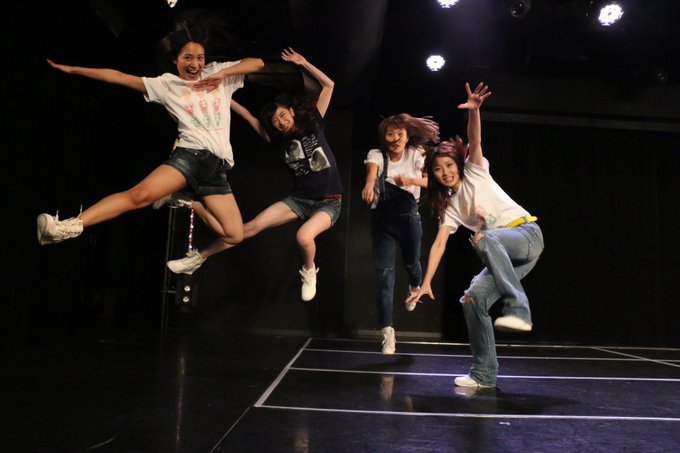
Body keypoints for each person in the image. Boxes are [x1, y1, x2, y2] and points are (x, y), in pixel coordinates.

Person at [37, 16, 265, 254]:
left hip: (217, 169)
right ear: (175, 60)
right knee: (139, 196)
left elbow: (257, 63)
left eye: (200, 58)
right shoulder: (167, 85)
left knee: (235, 234)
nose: (195, 64)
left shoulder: (218, 73)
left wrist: (224, 73)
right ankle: (65, 227)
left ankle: (188, 201)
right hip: (192, 155)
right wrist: (74, 69)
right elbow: (119, 77)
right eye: (188, 58)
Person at [166, 48, 342, 302]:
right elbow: (247, 115)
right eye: (276, 121)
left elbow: (329, 85)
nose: (280, 122)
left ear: (291, 112)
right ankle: (197, 259)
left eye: (283, 115)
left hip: (329, 201)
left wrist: (303, 62)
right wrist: (222, 94)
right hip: (300, 199)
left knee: (304, 236)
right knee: (247, 229)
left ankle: (308, 271)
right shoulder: (277, 140)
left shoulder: (314, 122)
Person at [407, 82, 544, 389]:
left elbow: (474, 138)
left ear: (458, 164)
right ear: (434, 176)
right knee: (472, 299)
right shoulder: (451, 208)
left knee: (483, 238)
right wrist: (426, 282)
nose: (446, 172)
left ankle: (518, 308)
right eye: (438, 170)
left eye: (449, 165)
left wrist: (474, 111)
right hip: (504, 257)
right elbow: (439, 244)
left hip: (525, 235)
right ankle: (484, 374)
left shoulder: (475, 171)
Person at [361, 114, 439, 354]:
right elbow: (371, 175)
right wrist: (369, 186)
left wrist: (409, 179)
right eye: (390, 134)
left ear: (406, 136)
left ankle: (415, 286)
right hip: (382, 221)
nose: (394, 138)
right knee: (384, 276)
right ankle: (387, 332)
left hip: (408, 219)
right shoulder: (377, 155)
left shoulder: (416, 154)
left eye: (399, 134)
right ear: (384, 137)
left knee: (412, 263)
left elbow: (430, 182)